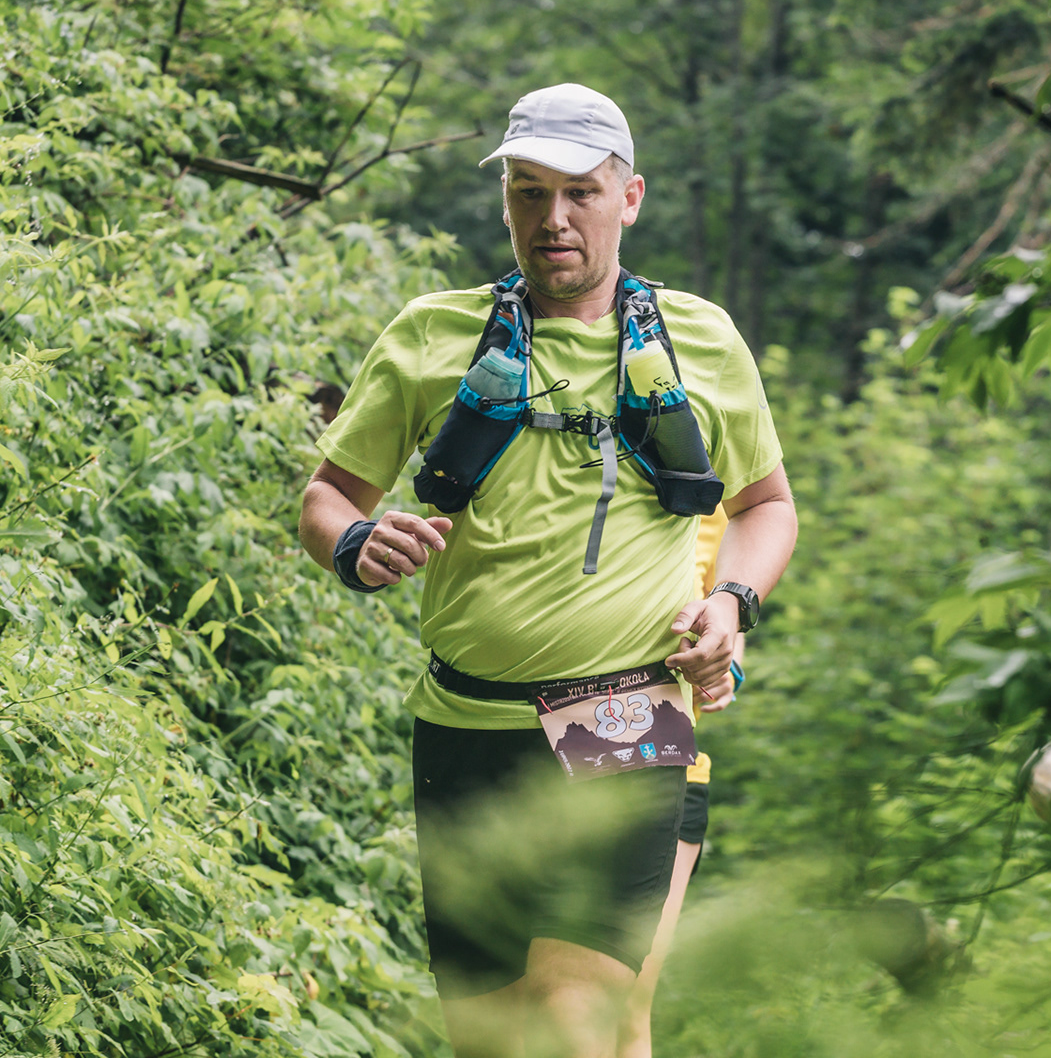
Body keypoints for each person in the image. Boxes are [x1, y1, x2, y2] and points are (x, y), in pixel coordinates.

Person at [298, 83, 797, 1058]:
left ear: (630, 198)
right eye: (528, 193)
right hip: (462, 723)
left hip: (626, 713)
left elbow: (765, 505)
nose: (553, 218)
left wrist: (733, 602)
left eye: (579, 193)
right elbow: (329, 496)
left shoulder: (701, 339)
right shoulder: (432, 334)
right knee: (491, 1038)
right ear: (505, 203)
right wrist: (356, 543)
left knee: (576, 1025)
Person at [615, 506, 737, 1058]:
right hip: (530, 754)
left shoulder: (716, 504)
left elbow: (729, 640)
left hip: (668, 765)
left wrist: (724, 673)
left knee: (626, 1002)